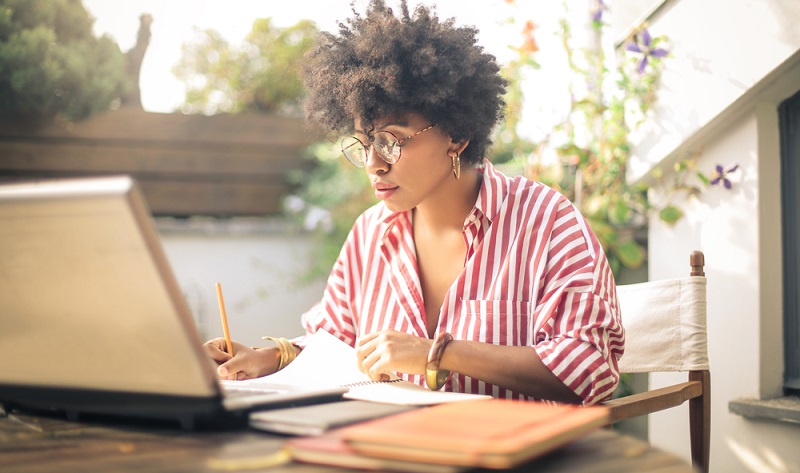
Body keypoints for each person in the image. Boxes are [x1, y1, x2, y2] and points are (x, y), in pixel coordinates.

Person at [204, 0, 624, 405]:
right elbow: (334, 342)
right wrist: (270, 358)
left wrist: (434, 354)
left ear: (457, 135)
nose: (373, 164)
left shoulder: (546, 222)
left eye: (390, 141)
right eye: (365, 144)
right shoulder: (371, 233)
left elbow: (589, 368)